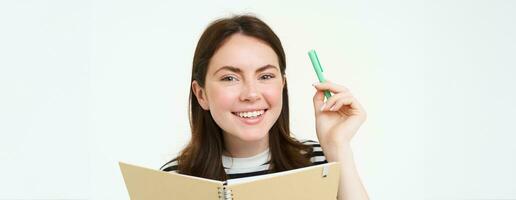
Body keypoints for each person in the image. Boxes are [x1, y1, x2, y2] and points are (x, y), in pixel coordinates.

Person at [161, 14, 369, 199]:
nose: (251, 94)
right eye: (230, 78)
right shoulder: (173, 180)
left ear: (282, 85)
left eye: (266, 76)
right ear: (201, 94)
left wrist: (337, 146)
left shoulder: (321, 163)